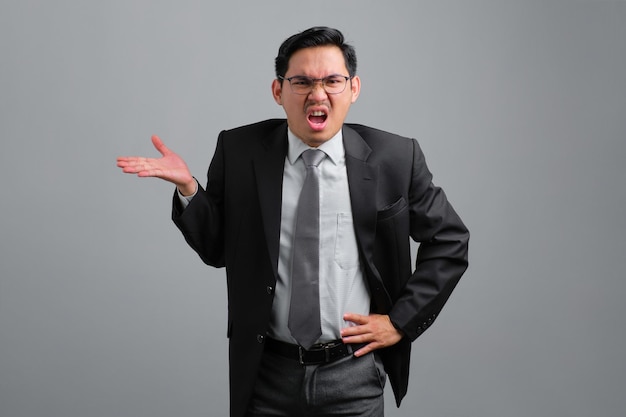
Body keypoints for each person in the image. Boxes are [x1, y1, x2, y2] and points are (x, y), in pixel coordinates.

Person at [117, 26, 469, 417]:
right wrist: (188, 189)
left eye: (332, 81)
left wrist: (400, 322)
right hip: (268, 374)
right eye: (301, 81)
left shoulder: (395, 158)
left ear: (353, 88)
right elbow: (218, 250)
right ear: (278, 91)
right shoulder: (240, 151)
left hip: (352, 375)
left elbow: (449, 241)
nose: (317, 94)